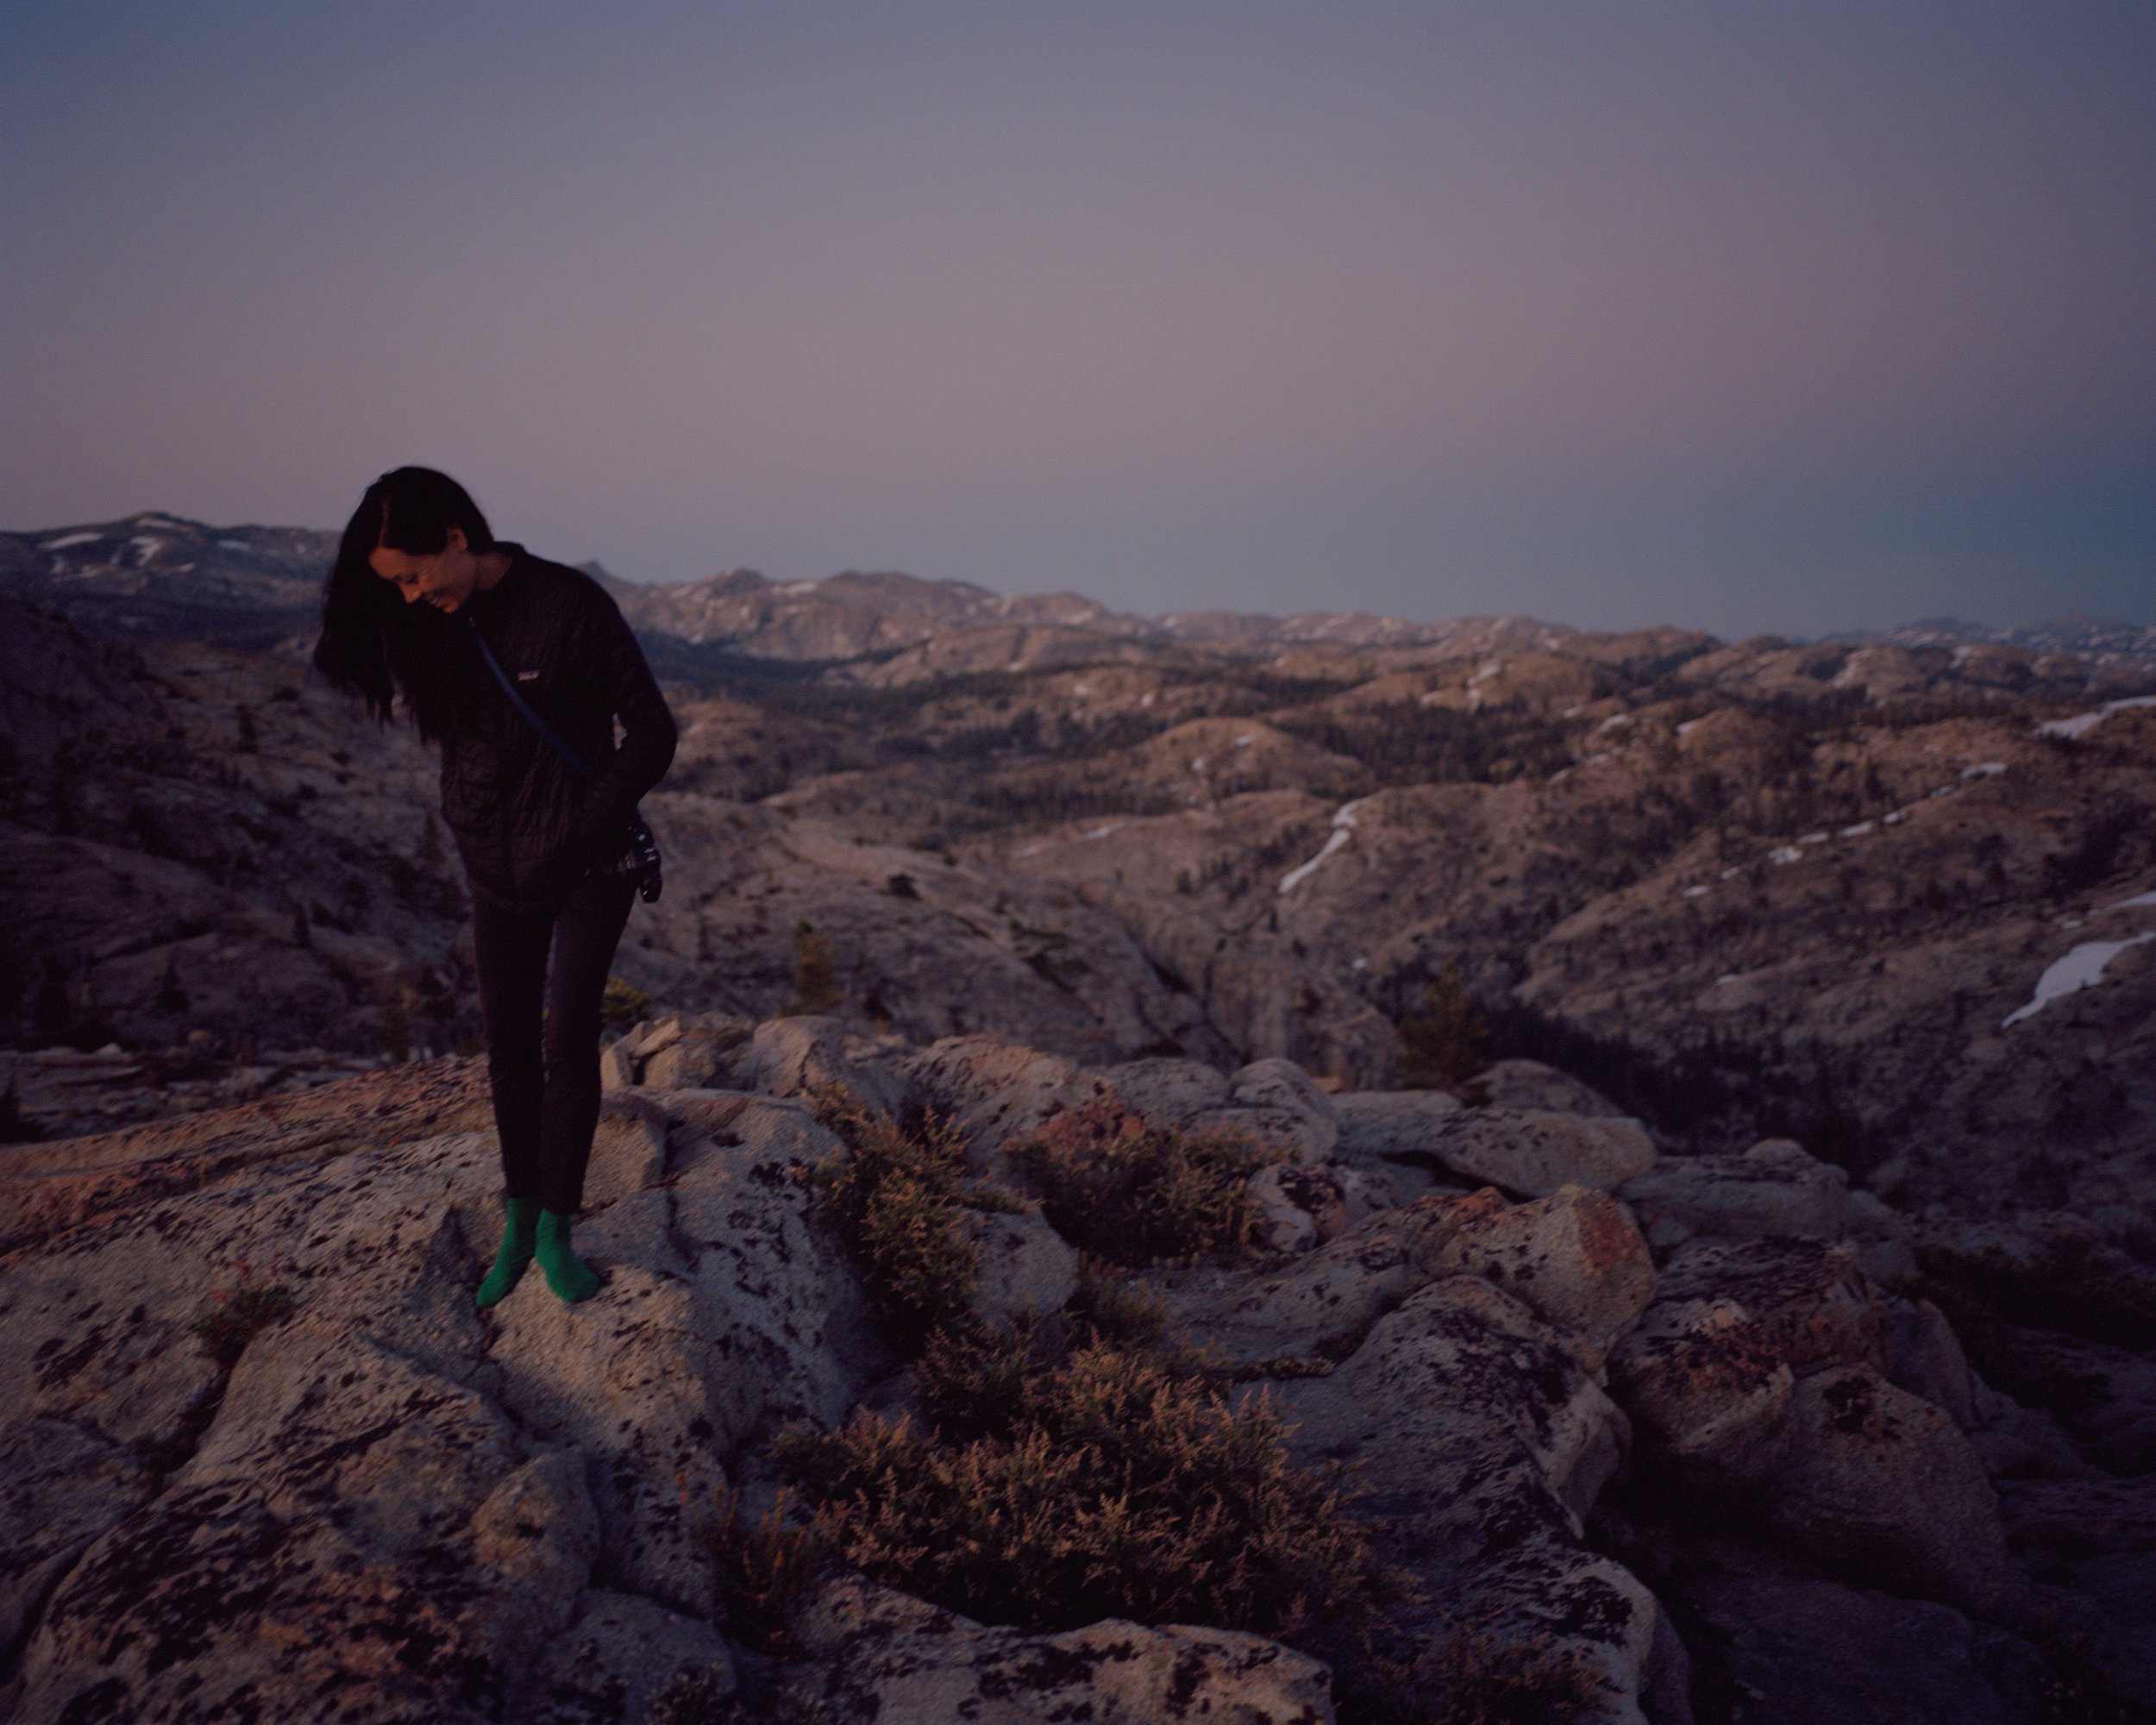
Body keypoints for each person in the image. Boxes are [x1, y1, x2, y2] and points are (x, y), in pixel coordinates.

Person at [313, 467, 677, 1308]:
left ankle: (557, 1230)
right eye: (391, 585)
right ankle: (517, 1221)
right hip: (494, 867)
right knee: (508, 1044)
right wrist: (468, 821)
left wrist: (585, 823)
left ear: (454, 538)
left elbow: (653, 732)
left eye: (412, 574)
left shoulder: (569, 605)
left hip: (587, 862)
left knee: (568, 1038)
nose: (407, 597)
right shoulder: (434, 622)